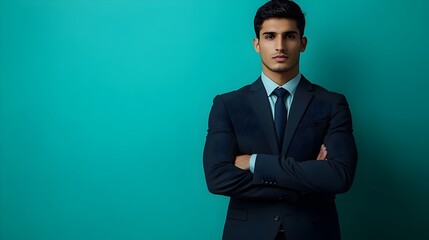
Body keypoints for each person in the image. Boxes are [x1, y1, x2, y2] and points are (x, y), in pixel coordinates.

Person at [203, 0, 358, 239]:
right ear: (257, 44)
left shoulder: (331, 103)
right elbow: (217, 179)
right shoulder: (228, 105)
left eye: (289, 36)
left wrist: (255, 162)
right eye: (270, 36)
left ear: (302, 43)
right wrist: (304, 182)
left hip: (314, 232)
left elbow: (339, 176)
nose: (280, 46)